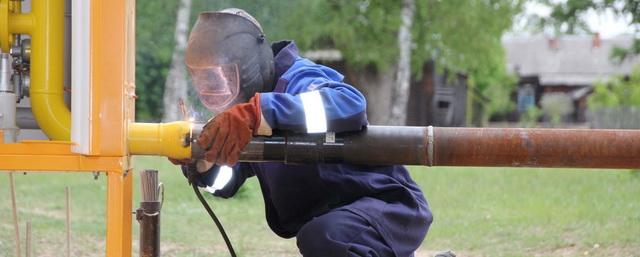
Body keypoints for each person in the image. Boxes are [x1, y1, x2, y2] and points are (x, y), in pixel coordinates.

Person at [177, 8, 433, 257]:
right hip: (342, 222)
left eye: (220, 79)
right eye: (205, 81)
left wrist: (261, 111)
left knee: (324, 237)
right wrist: (203, 161)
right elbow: (226, 183)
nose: (214, 91)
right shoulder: (245, 113)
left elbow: (350, 104)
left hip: (387, 205)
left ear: (246, 66)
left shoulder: (297, 78)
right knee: (323, 236)